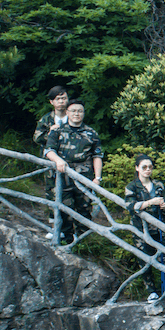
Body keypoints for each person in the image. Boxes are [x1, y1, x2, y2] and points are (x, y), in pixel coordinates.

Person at [44, 100, 103, 245]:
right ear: (67, 113)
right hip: (62, 177)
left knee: (84, 209)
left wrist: (97, 178)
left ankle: (84, 243)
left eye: (80, 111)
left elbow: (97, 156)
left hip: (84, 177)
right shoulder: (57, 131)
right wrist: (58, 160)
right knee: (64, 209)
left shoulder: (91, 133)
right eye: (73, 111)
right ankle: (66, 241)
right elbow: (49, 151)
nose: (77, 114)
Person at [124, 154, 165, 307]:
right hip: (141, 229)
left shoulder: (159, 185)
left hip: (160, 227)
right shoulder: (132, 187)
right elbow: (130, 206)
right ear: (137, 168)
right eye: (144, 167)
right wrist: (150, 202)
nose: (147, 170)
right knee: (144, 260)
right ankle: (151, 291)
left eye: (150, 167)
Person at [32, 85, 70, 150]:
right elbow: (37, 139)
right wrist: (50, 134)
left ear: (68, 100)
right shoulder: (46, 119)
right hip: (49, 153)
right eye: (57, 99)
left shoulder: (74, 117)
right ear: (51, 102)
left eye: (64, 98)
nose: (61, 101)